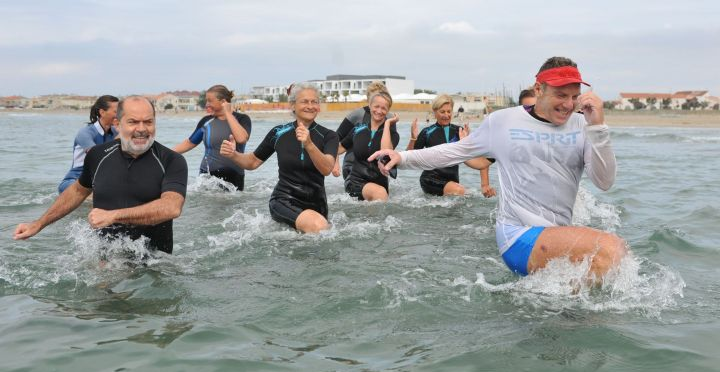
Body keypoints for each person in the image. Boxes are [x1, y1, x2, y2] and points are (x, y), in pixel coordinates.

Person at [370, 57, 626, 280]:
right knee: (609, 248)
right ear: (539, 89)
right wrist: (402, 157)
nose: (568, 105)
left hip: (555, 236)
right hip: (518, 236)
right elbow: (453, 152)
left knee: (614, 258)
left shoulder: (583, 126)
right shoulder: (504, 122)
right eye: (560, 95)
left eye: (574, 97)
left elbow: (604, 181)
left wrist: (598, 128)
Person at [14, 96, 188, 255]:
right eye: (133, 122)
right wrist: (38, 223)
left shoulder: (171, 160)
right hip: (105, 257)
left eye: (148, 122)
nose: (141, 129)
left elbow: (171, 207)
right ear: (117, 124)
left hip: (154, 262)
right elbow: (77, 191)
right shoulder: (98, 155)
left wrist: (113, 216)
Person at [219, 83, 338, 233]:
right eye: (304, 101)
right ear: (293, 106)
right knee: (319, 227)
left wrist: (309, 144)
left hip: (318, 204)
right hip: (284, 199)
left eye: (314, 102)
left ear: (319, 107)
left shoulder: (329, 136)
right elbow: (253, 162)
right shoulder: (278, 133)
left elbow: (327, 168)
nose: (310, 106)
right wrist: (233, 155)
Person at [406, 94, 496, 197]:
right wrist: (413, 138)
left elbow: (481, 158)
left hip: (452, 181)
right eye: (442, 112)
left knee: (464, 196)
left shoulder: (460, 132)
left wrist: (485, 185)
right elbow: (408, 157)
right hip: (430, 179)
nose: (446, 115)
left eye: (449, 111)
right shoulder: (427, 132)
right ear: (435, 112)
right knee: (460, 191)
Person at [173, 85, 251, 190]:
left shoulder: (242, 119)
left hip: (234, 176)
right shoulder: (206, 121)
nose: (206, 104)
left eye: (210, 101)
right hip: (206, 176)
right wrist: (163, 153)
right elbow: (190, 143)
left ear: (223, 102)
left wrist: (228, 113)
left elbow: (241, 138)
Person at [337, 91, 399, 202]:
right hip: (356, 181)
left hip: (380, 185)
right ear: (369, 106)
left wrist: (387, 124)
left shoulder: (392, 134)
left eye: (384, 108)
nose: (379, 111)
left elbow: (385, 152)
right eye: (376, 106)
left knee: (379, 196)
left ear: (388, 110)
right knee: (379, 193)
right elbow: (339, 148)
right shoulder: (357, 129)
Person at [58, 95, 119, 194]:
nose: (119, 115)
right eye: (116, 112)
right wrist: (120, 137)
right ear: (102, 112)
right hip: (75, 182)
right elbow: (97, 158)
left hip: (98, 182)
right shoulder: (85, 133)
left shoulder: (115, 132)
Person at [333, 81, 391, 180]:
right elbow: (335, 138)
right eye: (374, 98)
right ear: (368, 99)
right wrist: (335, 163)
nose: (378, 109)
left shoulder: (389, 119)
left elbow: (390, 147)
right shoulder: (357, 114)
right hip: (352, 162)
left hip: (375, 163)